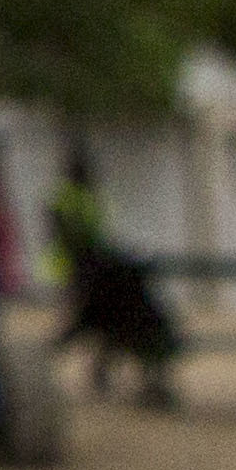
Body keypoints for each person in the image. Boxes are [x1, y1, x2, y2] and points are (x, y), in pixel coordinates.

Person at [47, 160, 180, 409]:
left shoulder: (81, 199)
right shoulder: (65, 199)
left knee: (92, 321)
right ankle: (85, 368)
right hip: (78, 268)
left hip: (92, 271)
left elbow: (97, 233)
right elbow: (60, 232)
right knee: (85, 316)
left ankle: (94, 370)